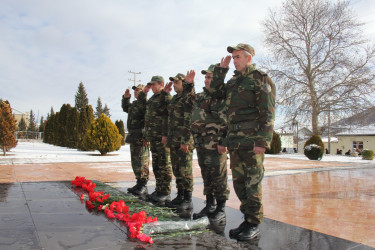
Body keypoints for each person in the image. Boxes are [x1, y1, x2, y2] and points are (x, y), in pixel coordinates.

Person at [208, 43, 276, 241]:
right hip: (236, 142)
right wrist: (221, 71)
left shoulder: (260, 80)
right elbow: (216, 93)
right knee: (239, 184)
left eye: (238, 57)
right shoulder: (234, 82)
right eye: (234, 57)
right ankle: (247, 220)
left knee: (252, 183)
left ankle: (254, 223)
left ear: (249, 58)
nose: (235, 60)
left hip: (252, 141)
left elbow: (268, 113)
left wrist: (263, 141)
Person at [190, 64, 230, 223]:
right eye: (206, 77)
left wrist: (224, 141)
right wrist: (189, 85)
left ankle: (220, 209)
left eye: (210, 77)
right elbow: (187, 103)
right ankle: (210, 205)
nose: (206, 80)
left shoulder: (222, 96)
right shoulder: (201, 96)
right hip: (201, 144)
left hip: (216, 144)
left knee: (219, 176)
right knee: (207, 176)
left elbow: (228, 120)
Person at [138, 76, 173, 206]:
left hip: (162, 138)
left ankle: (165, 191)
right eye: (151, 84)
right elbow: (142, 104)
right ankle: (159, 189)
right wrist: (144, 92)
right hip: (153, 137)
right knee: (157, 165)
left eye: (154, 84)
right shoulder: (153, 98)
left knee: (164, 165)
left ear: (161, 84)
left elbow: (170, 117)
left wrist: (166, 134)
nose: (152, 86)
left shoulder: (166, 97)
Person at [164, 72, 195, 210]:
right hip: (174, 140)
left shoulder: (187, 97)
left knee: (185, 170)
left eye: (177, 82)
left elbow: (189, 120)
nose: (175, 85)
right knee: (177, 169)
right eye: (174, 82)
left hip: (184, 140)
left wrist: (186, 140)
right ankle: (180, 196)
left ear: (184, 83)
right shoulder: (175, 99)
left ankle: (188, 199)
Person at [121, 84, 150, 196]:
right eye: (135, 91)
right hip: (133, 136)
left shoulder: (145, 104)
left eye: (138, 90)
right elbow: (125, 108)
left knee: (142, 161)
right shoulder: (134, 104)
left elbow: (148, 120)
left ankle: (143, 184)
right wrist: (126, 98)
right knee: (135, 162)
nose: (136, 92)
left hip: (141, 137)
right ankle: (139, 182)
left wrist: (146, 136)